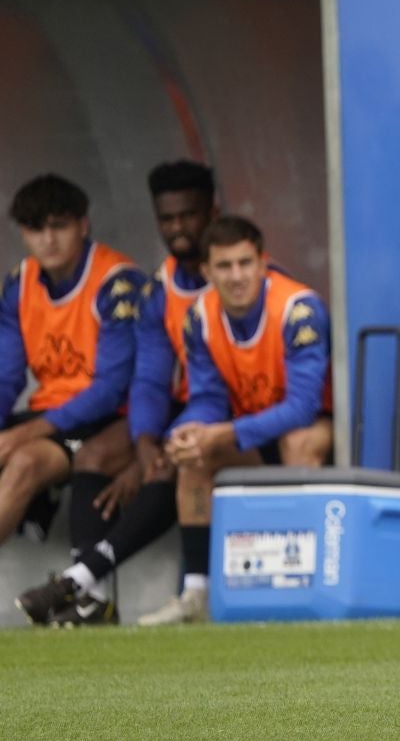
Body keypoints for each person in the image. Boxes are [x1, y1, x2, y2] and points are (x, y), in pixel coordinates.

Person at [15, 161, 214, 625]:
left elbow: (125, 387)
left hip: (230, 417)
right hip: (180, 412)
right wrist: (145, 443)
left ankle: (81, 579)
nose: (178, 227)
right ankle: (91, 599)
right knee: (100, 459)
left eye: (189, 215)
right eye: (168, 218)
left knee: (176, 461)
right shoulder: (158, 287)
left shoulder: (237, 284)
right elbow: (149, 379)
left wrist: (159, 446)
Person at [139, 214, 335, 625]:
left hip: (314, 428)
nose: (236, 276)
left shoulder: (298, 309)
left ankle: (300, 581)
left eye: (245, 263)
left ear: (263, 263)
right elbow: (208, 397)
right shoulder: (201, 317)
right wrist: (186, 431)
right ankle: (196, 593)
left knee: (298, 442)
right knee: (194, 454)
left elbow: (302, 406)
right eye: (224, 266)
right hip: (252, 430)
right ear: (207, 271)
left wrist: (222, 432)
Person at [0, 176, 140, 558]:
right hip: (48, 414)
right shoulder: (20, 282)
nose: (48, 240)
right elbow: (6, 375)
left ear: (83, 224)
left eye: (59, 226)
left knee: (25, 459)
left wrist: (24, 434)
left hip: (107, 419)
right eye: (36, 229)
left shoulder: (117, 282)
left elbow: (112, 388)